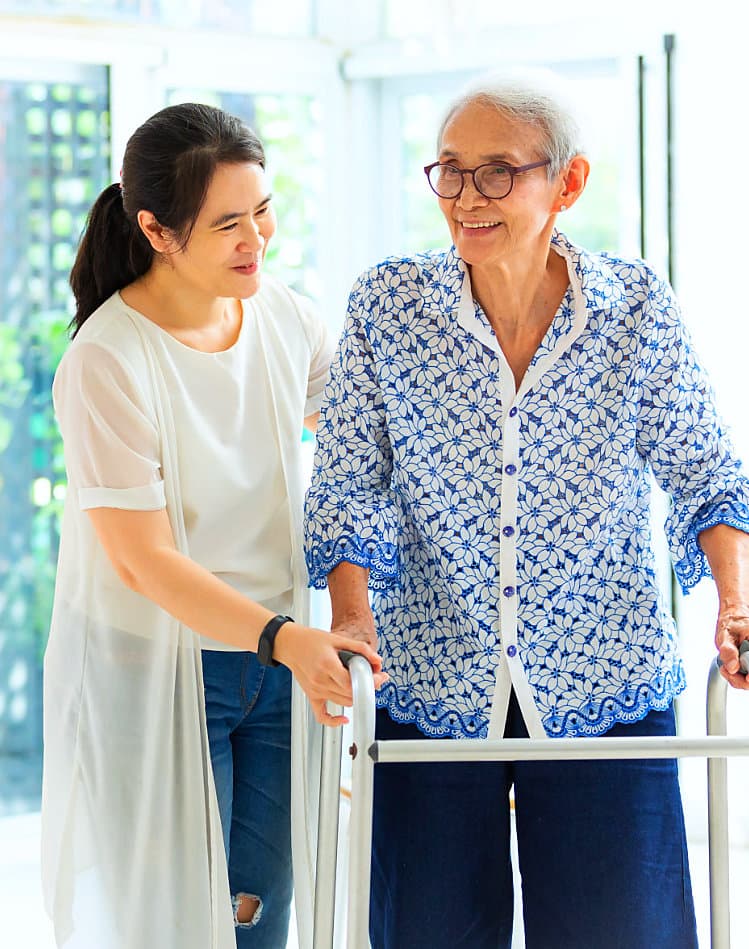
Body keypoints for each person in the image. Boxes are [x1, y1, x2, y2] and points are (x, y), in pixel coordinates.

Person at [304, 76, 749, 949]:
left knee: (617, 932)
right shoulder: (386, 309)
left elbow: (704, 471)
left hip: (603, 678)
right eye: (451, 172)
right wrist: (350, 624)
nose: (466, 198)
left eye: (497, 173)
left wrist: (733, 601)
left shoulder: (635, 311)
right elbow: (350, 486)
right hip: (429, 676)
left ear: (568, 183)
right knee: (427, 932)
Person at [41, 102, 384, 949]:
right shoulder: (106, 360)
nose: (255, 240)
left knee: (258, 911)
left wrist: (335, 616)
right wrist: (283, 636)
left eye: (262, 211)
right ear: (157, 230)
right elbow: (144, 561)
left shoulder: (287, 319)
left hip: (274, 665)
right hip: (151, 661)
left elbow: (359, 461)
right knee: (170, 923)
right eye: (227, 223)